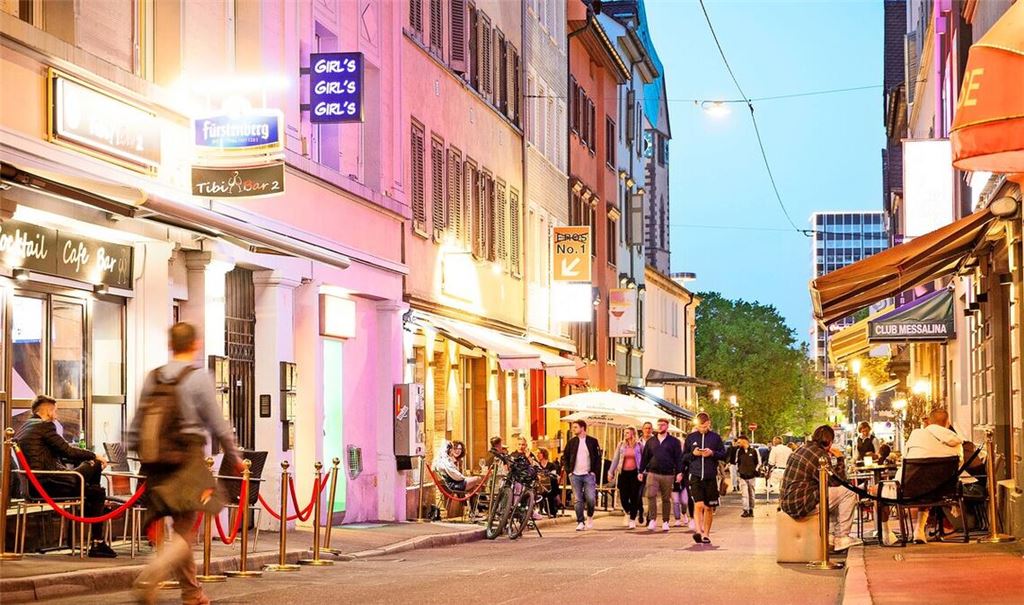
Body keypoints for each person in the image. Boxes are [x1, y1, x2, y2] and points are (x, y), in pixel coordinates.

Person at [129, 322, 241, 605]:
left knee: (177, 529)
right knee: (186, 528)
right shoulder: (198, 377)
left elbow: (138, 420)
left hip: (156, 461)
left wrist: (139, 453)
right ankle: (151, 574)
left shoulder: (154, 377)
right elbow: (217, 422)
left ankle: (192, 592)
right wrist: (234, 455)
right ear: (195, 344)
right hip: (187, 457)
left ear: (170, 345)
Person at [15, 395, 116, 558]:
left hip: (32, 487)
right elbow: (67, 451)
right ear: (48, 412)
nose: (56, 415)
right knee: (96, 473)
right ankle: (97, 541)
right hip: (49, 484)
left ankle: (89, 501)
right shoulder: (45, 426)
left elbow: (60, 452)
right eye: (55, 411)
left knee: (94, 490)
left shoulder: (25, 427)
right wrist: (94, 456)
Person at [780, 425, 861, 552]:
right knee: (848, 492)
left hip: (787, 503)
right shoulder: (820, 455)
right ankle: (841, 537)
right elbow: (837, 482)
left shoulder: (800, 449)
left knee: (830, 494)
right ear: (830, 442)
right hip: (801, 505)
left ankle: (830, 537)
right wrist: (840, 459)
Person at [890, 408, 963, 543]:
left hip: (910, 490)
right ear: (947, 423)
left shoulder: (916, 435)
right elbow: (958, 467)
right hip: (943, 491)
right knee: (928, 486)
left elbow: (905, 458)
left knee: (876, 490)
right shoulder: (957, 443)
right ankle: (919, 530)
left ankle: (886, 535)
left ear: (929, 422)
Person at [682, 412, 727, 544]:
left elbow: (723, 455)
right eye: (700, 426)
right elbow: (684, 457)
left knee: (709, 507)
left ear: (709, 424)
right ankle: (698, 531)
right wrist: (693, 454)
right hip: (695, 475)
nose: (702, 429)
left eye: (705, 426)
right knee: (699, 504)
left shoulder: (715, 438)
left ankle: (706, 534)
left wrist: (712, 453)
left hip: (710, 476)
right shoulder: (691, 438)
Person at [639, 418, 684, 532]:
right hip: (652, 472)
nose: (660, 427)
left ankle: (665, 521)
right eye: (658, 425)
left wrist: (679, 472)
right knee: (650, 495)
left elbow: (678, 458)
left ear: (667, 426)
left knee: (666, 498)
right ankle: (652, 519)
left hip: (668, 474)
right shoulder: (651, 441)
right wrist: (640, 471)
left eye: (662, 425)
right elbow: (645, 457)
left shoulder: (674, 441)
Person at [561, 420, 600, 531]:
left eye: (575, 427)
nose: (573, 429)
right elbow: (565, 457)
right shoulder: (571, 442)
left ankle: (590, 516)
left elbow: (598, 458)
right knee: (578, 499)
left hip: (588, 474)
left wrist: (594, 471)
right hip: (575, 475)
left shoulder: (593, 441)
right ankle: (580, 522)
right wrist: (569, 471)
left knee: (591, 498)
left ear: (582, 428)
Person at [433, 440, 482, 518]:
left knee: (475, 486)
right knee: (478, 480)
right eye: (455, 449)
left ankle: (474, 509)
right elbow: (455, 475)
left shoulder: (454, 460)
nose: (457, 451)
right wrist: (465, 478)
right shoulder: (446, 461)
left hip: (454, 483)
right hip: (452, 485)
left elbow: (456, 475)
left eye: (460, 449)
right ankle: (476, 508)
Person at [607, 427, 643, 528]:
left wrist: (643, 472)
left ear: (633, 433)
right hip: (623, 473)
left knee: (634, 496)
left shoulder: (639, 445)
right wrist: (610, 472)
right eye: (624, 432)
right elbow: (616, 458)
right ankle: (629, 511)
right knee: (623, 497)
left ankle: (632, 519)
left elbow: (644, 459)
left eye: (627, 432)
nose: (625, 434)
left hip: (635, 473)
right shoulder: (621, 445)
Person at [734, 435, 762, 518]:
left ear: (745, 441)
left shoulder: (754, 451)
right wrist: (739, 471)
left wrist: (755, 470)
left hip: (751, 476)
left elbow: (759, 462)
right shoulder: (739, 451)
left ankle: (751, 509)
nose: (738, 444)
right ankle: (745, 510)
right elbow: (737, 462)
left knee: (751, 493)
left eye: (739, 442)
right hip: (742, 476)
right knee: (744, 494)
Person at [636, 421, 654, 523]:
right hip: (640, 471)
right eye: (645, 428)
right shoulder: (637, 442)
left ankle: (649, 517)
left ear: (652, 430)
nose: (647, 430)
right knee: (638, 495)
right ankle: (641, 511)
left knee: (651, 495)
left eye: (649, 428)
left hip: (651, 471)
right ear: (642, 430)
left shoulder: (655, 442)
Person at [536, 448, 561, 518]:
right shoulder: (537, 465)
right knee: (549, 487)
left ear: (544, 454)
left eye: (539, 453)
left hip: (549, 485)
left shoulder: (551, 465)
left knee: (552, 481)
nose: (537, 455)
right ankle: (557, 497)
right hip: (540, 486)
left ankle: (551, 508)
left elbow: (553, 475)